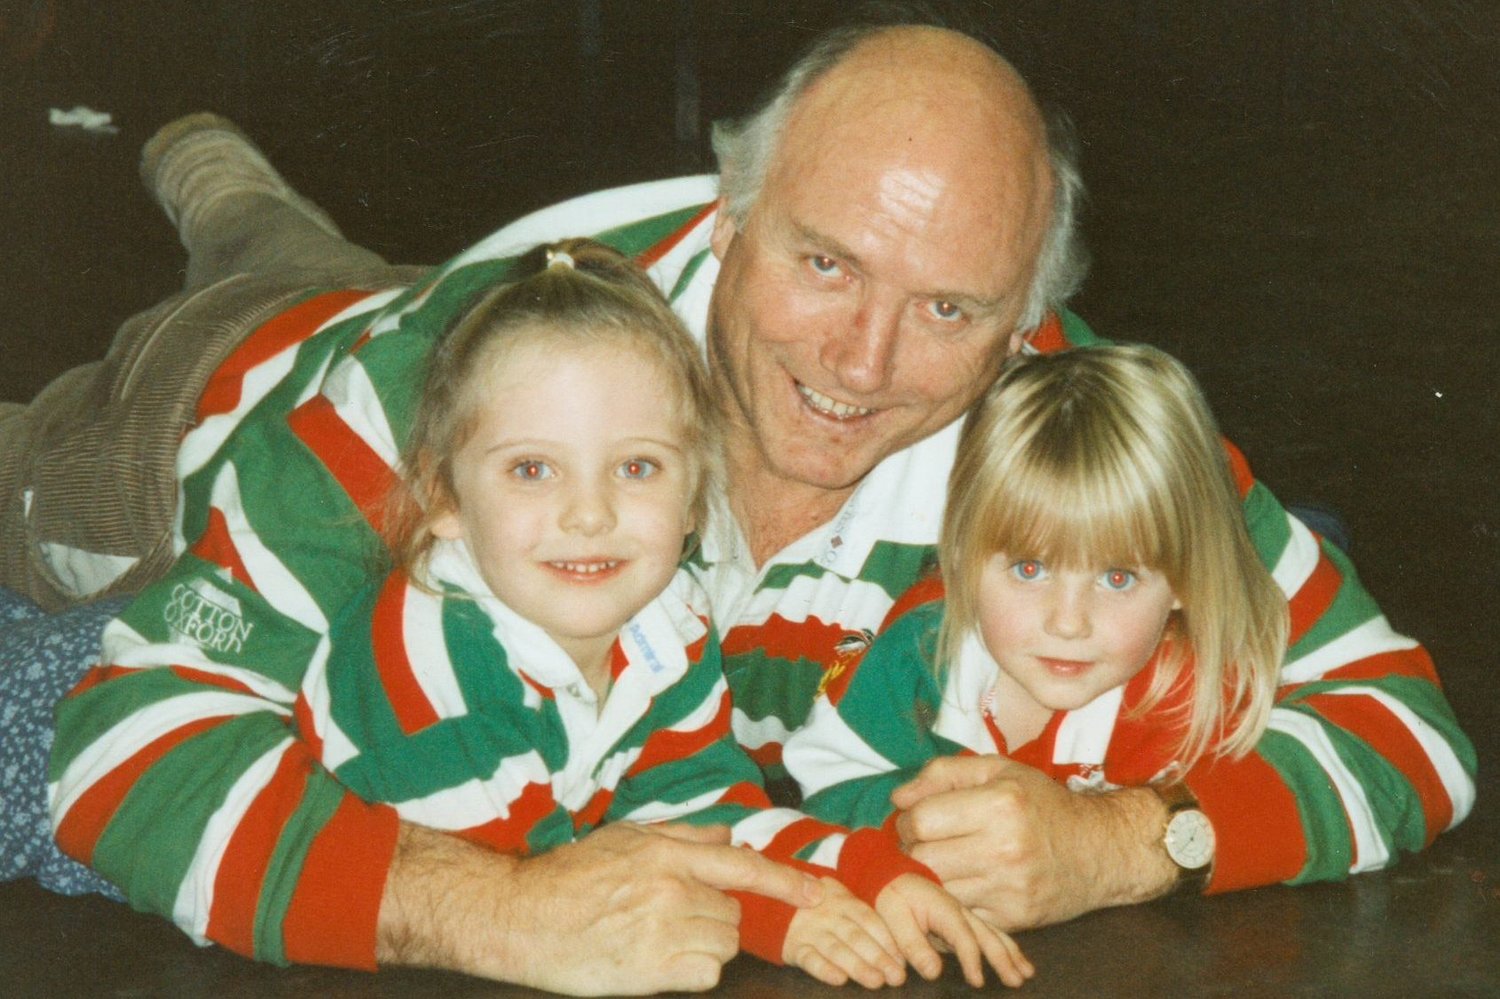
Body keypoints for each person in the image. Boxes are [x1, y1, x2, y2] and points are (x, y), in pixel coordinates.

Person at [13, 8, 1473, 992]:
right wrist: (497, 907)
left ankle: (208, 161)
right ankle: (197, 174)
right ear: (729, 207)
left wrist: (1132, 840)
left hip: (436, 279)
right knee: (215, 329)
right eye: (823, 264)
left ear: (1032, 314)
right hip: (200, 410)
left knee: (276, 229)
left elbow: (1408, 727)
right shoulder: (429, 396)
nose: (861, 361)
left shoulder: (1063, 424)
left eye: (950, 305)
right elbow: (125, 752)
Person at [304, 235, 1029, 989]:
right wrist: (777, 914)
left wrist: (870, 875)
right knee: (292, 270)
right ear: (444, 497)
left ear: (692, 500)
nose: (589, 513)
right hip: (261, 340)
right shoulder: (429, 660)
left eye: (637, 466)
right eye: (531, 468)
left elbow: (698, 809)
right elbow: (554, 908)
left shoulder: (667, 619)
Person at [784, 345, 1297, 878]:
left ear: (1184, 581)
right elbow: (825, 788)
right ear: (962, 554)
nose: (1068, 622)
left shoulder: (1197, 697)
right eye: (1030, 569)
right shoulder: (915, 655)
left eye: (1117, 577)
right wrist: (916, 827)